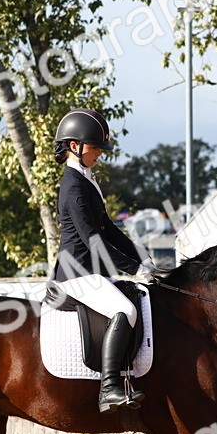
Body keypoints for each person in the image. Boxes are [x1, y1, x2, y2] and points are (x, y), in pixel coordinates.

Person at [51, 108, 152, 413]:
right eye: (95, 148)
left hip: (90, 271)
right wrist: (134, 268)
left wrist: (142, 257)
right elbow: (91, 239)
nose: (99, 154)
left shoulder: (86, 179)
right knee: (125, 309)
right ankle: (108, 388)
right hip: (76, 273)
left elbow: (108, 229)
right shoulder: (73, 186)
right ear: (75, 147)